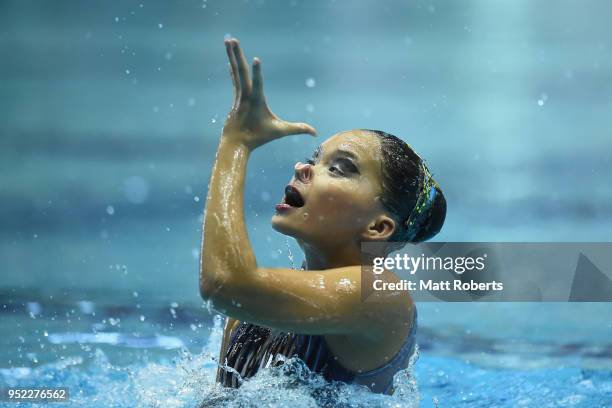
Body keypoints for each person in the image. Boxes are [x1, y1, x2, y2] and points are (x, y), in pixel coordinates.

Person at [199, 38, 446, 394]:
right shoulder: (252, 309)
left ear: (378, 227)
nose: (304, 167)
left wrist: (236, 144)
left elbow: (222, 284)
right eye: (314, 158)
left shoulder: (382, 296)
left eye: (340, 168)